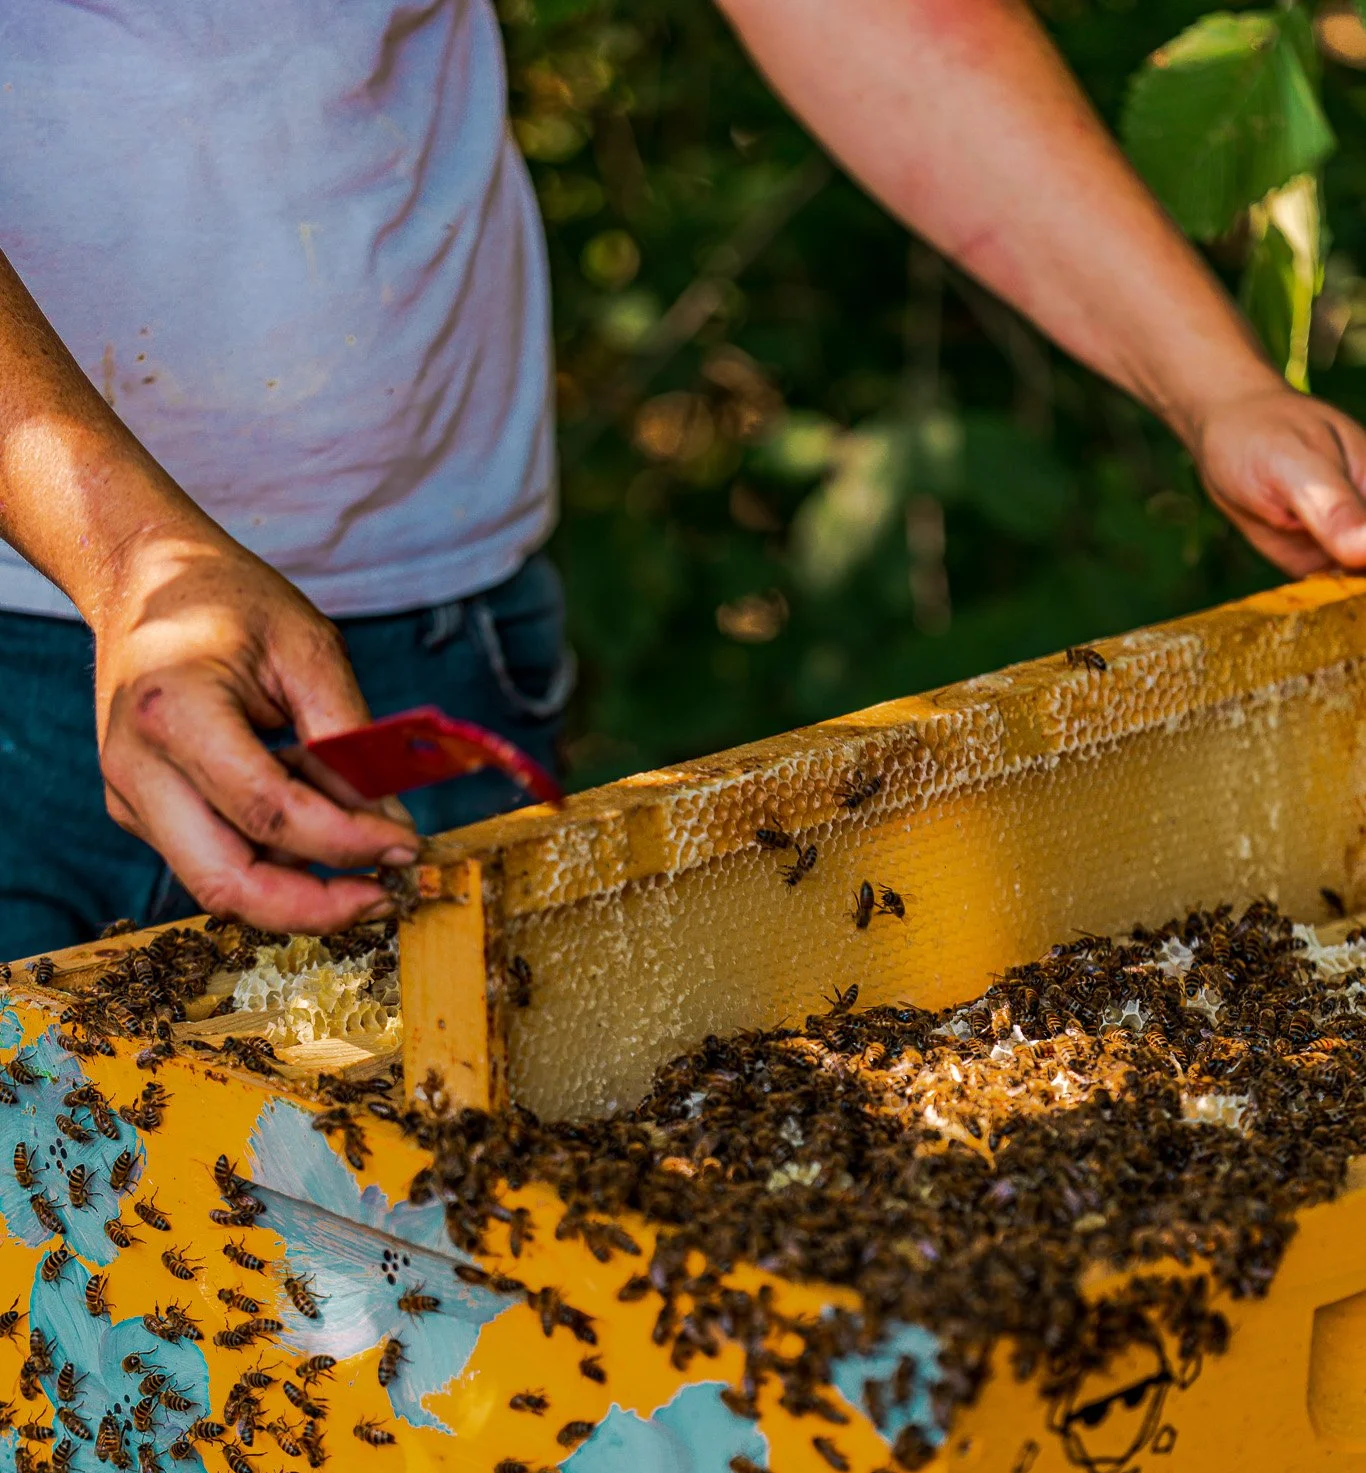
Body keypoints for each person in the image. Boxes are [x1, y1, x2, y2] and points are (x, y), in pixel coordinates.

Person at [3, 0, 1366, 955]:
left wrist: (1217, 382)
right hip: (24, 666)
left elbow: (876, 20)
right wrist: (136, 558)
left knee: (400, 1293)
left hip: (434, 642)